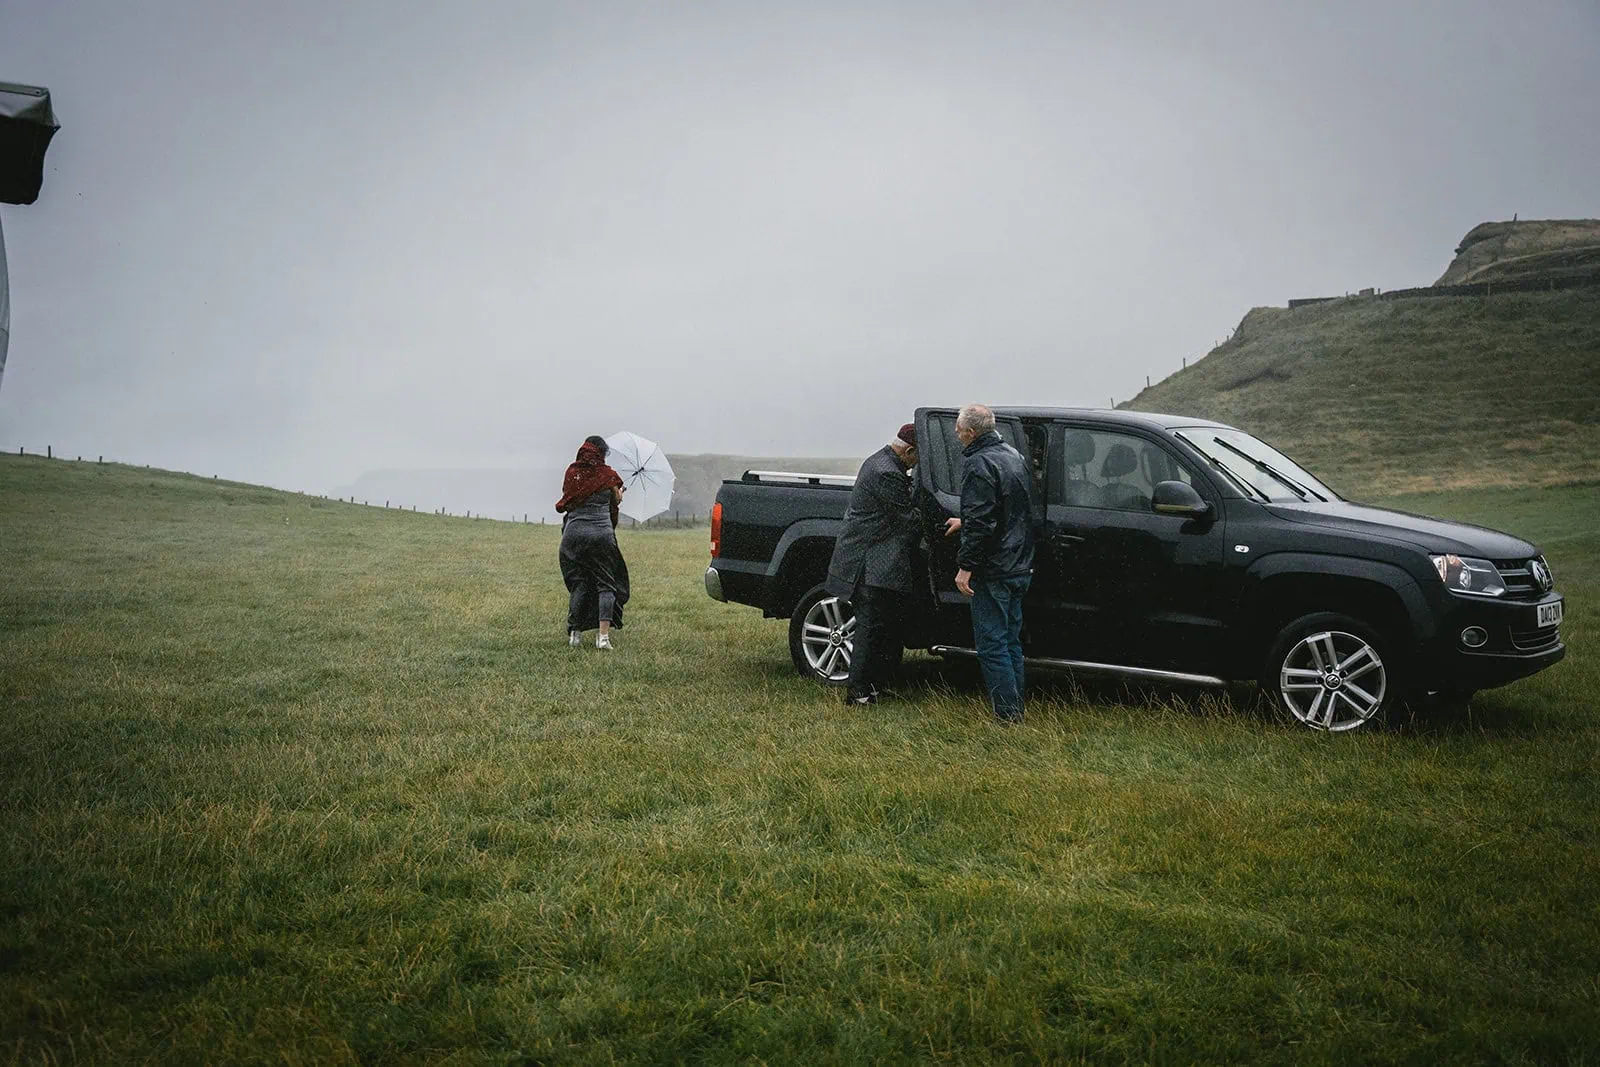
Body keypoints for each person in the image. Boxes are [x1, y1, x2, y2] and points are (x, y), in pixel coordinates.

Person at [945, 404, 1035, 723]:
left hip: (994, 569)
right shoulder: (1013, 455)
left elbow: (984, 522)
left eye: (958, 430)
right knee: (1010, 640)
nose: (956, 434)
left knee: (992, 644)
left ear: (971, 432)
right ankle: (1015, 707)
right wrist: (965, 520)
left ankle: (1007, 716)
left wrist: (965, 566)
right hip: (1019, 564)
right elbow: (1008, 511)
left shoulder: (978, 463)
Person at [824, 423, 920, 705]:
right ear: (909, 450)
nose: (916, 464)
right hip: (869, 564)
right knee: (869, 628)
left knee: (879, 627)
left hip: (872, 561)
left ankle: (873, 685)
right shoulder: (887, 473)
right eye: (917, 458)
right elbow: (906, 519)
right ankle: (858, 692)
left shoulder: (880, 462)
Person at [555, 435, 630, 650]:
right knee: (606, 584)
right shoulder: (609, 476)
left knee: (579, 583)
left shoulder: (572, 473)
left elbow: (569, 498)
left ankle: (575, 636)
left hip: (573, 536)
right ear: (601, 453)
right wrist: (620, 492)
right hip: (601, 536)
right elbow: (615, 501)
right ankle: (603, 638)